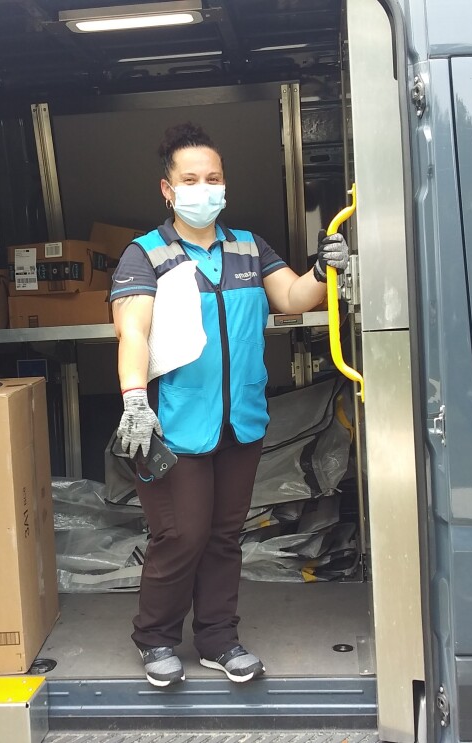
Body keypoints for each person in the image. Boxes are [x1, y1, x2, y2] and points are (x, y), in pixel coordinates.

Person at [109, 122, 350, 687]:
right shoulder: (145, 255)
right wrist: (135, 402)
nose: (203, 187)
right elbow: (134, 333)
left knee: (223, 535)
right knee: (182, 535)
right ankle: (156, 638)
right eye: (189, 178)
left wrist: (323, 268)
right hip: (170, 426)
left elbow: (291, 297)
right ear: (167, 189)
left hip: (240, 423)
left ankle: (218, 638)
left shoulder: (248, 246)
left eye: (212, 177)